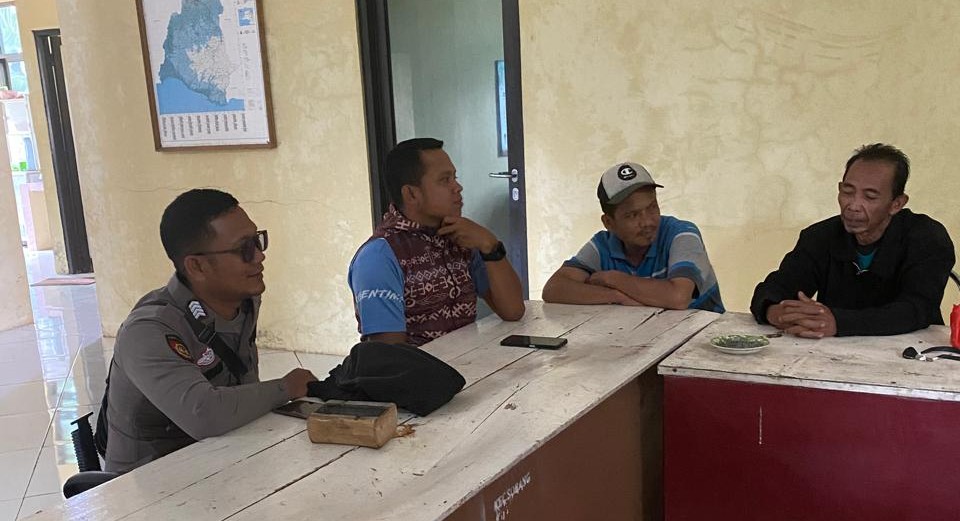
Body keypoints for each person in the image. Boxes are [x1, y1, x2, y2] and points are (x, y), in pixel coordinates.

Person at [101, 189, 317, 473]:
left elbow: (242, 390)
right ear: (197, 266)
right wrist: (286, 388)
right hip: (150, 482)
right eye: (244, 249)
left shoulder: (244, 302)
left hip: (223, 460)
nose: (259, 256)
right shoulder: (148, 330)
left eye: (257, 241)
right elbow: (204, 414)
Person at [751, 143, 956, 338]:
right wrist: (775, 311)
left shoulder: (927, 238)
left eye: (870, 197)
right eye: (847, 192)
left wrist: (839, 322)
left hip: (910, 352)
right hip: (830, 353)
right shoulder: (820, 236)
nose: (853, 205)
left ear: (896, 204)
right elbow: (777, 287)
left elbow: (917, 308)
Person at [348, 138, 525, 346]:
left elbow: (513, 310)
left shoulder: (459, 237)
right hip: (418, 367)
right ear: (411, 194)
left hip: (468, 360)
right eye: (444, 180)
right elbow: (389, 355)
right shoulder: (379, 257)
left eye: (454, 178)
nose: (457, 187)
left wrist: (490, 245)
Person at [542, 161, 724, 312]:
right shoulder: (603, 244)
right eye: (633, 215)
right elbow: (554, 289)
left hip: (704, 340)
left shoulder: (682, 234)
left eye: (652, 207)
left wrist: (612, 279)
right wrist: (616, 296)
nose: (647, 222)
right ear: (609, 223)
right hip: (646, 336)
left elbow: (678, 297)